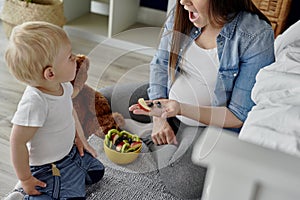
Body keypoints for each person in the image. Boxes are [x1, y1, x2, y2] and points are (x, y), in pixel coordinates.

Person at [128, 0, 275, 198]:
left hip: (205, 123)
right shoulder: (182, 14)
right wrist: (159, 118)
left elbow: (239, 115)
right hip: (165, 101)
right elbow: (161, 65)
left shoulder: (255, 35)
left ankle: (157, 141)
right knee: (105, 98)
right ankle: (160, 136)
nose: (183, 2)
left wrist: (179, 109)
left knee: (184, 183)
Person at [5, 21, 105, 199]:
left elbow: (70, 112)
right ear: (50, 73)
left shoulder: (63, 85)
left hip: (70, 154)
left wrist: (79, 138)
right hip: (48, 167)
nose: (75, 58)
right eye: (69, 57)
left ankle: (73, 168)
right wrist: (26, 179)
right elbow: (17, 142)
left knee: (98, 171)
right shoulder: (34, 103)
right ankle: (20, 195)